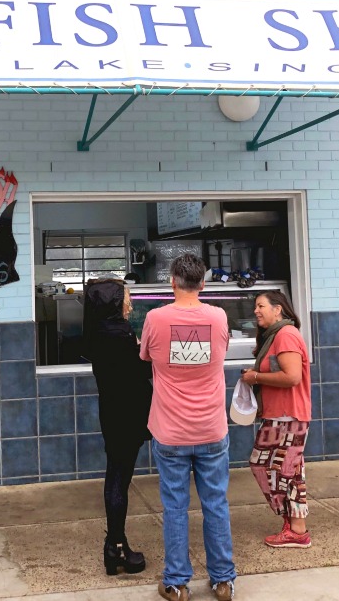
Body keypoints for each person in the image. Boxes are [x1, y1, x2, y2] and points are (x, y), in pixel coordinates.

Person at [140, 254, 236, 601]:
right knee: (216, 504)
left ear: (172, 282)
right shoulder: (219, 316)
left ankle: (177, 583)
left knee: (175, 507)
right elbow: (221, 351)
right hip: (211, 428)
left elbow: (146, 357)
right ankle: (224, 580)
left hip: (170, 432)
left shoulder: (155, 318)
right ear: (203, 284)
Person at [82, 278, 152, 576]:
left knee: (115, 474)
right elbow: (141, 369)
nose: (130, 303)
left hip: (111, 411)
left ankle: (115, 544)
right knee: (120, 479)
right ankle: (116, 547)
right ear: (113, 302)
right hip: (128, 414)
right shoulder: (120, 334)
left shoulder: (97, 332)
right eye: (126, 298)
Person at [240, 290, 313, 549]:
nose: (256, 311)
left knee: (286, 471)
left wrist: (256, 378)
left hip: (289, 416)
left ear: (277, 309)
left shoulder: (286, 335)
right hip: (278, 416)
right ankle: (292, 523)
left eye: (261, 306)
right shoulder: (275, 336)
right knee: (271, 467)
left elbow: (292, 377)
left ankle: (297, 530)